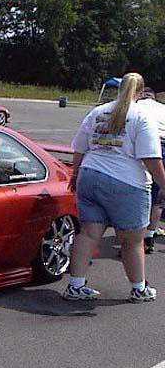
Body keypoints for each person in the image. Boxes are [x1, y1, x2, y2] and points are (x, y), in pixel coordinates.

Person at [64, 72, 165, 303]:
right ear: (141, 92)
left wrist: (75, 175)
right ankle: (139, 289)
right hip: (125, 182)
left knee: (88, 233)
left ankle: (75, 286)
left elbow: (79, 148)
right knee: (133, 240)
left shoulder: (98, 111)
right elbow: (150, 157)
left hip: (89, 176)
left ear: (119, 89)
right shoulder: (141, 116)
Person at [138, 87, 165, 253]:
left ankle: (135, 238)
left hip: (144, 145)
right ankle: (149, 236)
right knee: (158, 195)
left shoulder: (136, 106)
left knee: (138, 190)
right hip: (163, 145)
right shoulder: (162, 108)